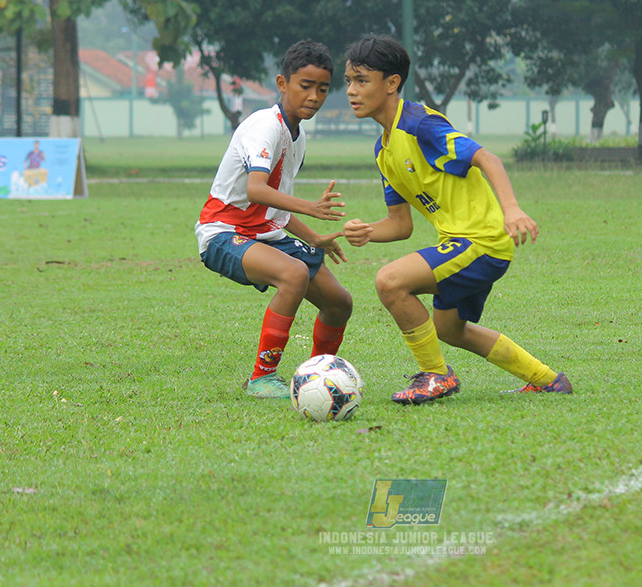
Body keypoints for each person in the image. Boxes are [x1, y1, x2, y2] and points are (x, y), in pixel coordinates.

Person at [341, 34, 570, 404]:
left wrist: (512, 209)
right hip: (462, 246)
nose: (352, 90)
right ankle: (548, 380)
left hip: (481, 243)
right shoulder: (384, 150)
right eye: (349, 81)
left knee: (389, 281)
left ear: (392, 83)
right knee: (449, 329)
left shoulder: (419, 124)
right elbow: (400, 224)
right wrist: (366, 232)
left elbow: (487, 158)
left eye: (361, 80)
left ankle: (436, 376)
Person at [195, 40, 352, 399]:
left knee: (339, 302)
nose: (314, 96)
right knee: (293, 274)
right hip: (223, 233)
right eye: (305, 86)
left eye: (323, 88)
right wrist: (310, 206)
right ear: (282, 83)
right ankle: (261, 378)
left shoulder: (297, 135)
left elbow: (274, 210)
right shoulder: (265, 126)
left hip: (266, 233)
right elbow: (256, 190)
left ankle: (317, 377)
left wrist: (314, 238)